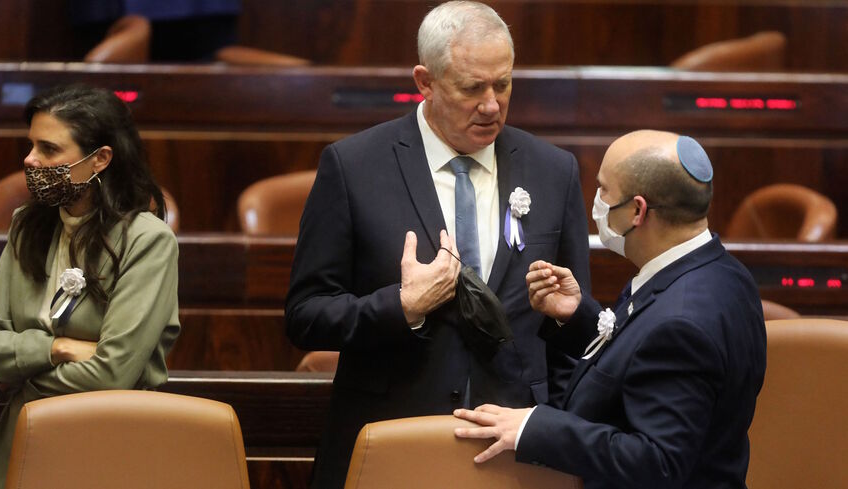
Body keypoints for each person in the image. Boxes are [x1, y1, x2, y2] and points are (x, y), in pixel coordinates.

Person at [285, 1, 590, 487]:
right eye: (472, 87)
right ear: (424, 81)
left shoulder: (554, 171)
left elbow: (572, 335)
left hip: (514, 451)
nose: (492, 104)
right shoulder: (354, 167)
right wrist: (402, 307)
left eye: (504, 84)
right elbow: (306, 315)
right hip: (393, 439)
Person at [454, 130, 767, 489]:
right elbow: (647, 363)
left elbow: (656, 462)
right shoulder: (723, 274)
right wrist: (579, 317)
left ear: (637, 210)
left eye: (604, 190)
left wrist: (534, 427)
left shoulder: (681, 324)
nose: (596, 201)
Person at [0, 84, 180, 489]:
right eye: (31, 144)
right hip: (22, 443)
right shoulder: (27, 224)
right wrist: (55, 349)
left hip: (105, 448)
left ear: (100, 159)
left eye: (49, 149)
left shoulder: (147, 241)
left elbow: (112, 375)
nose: (30, 159)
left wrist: (19, 373)